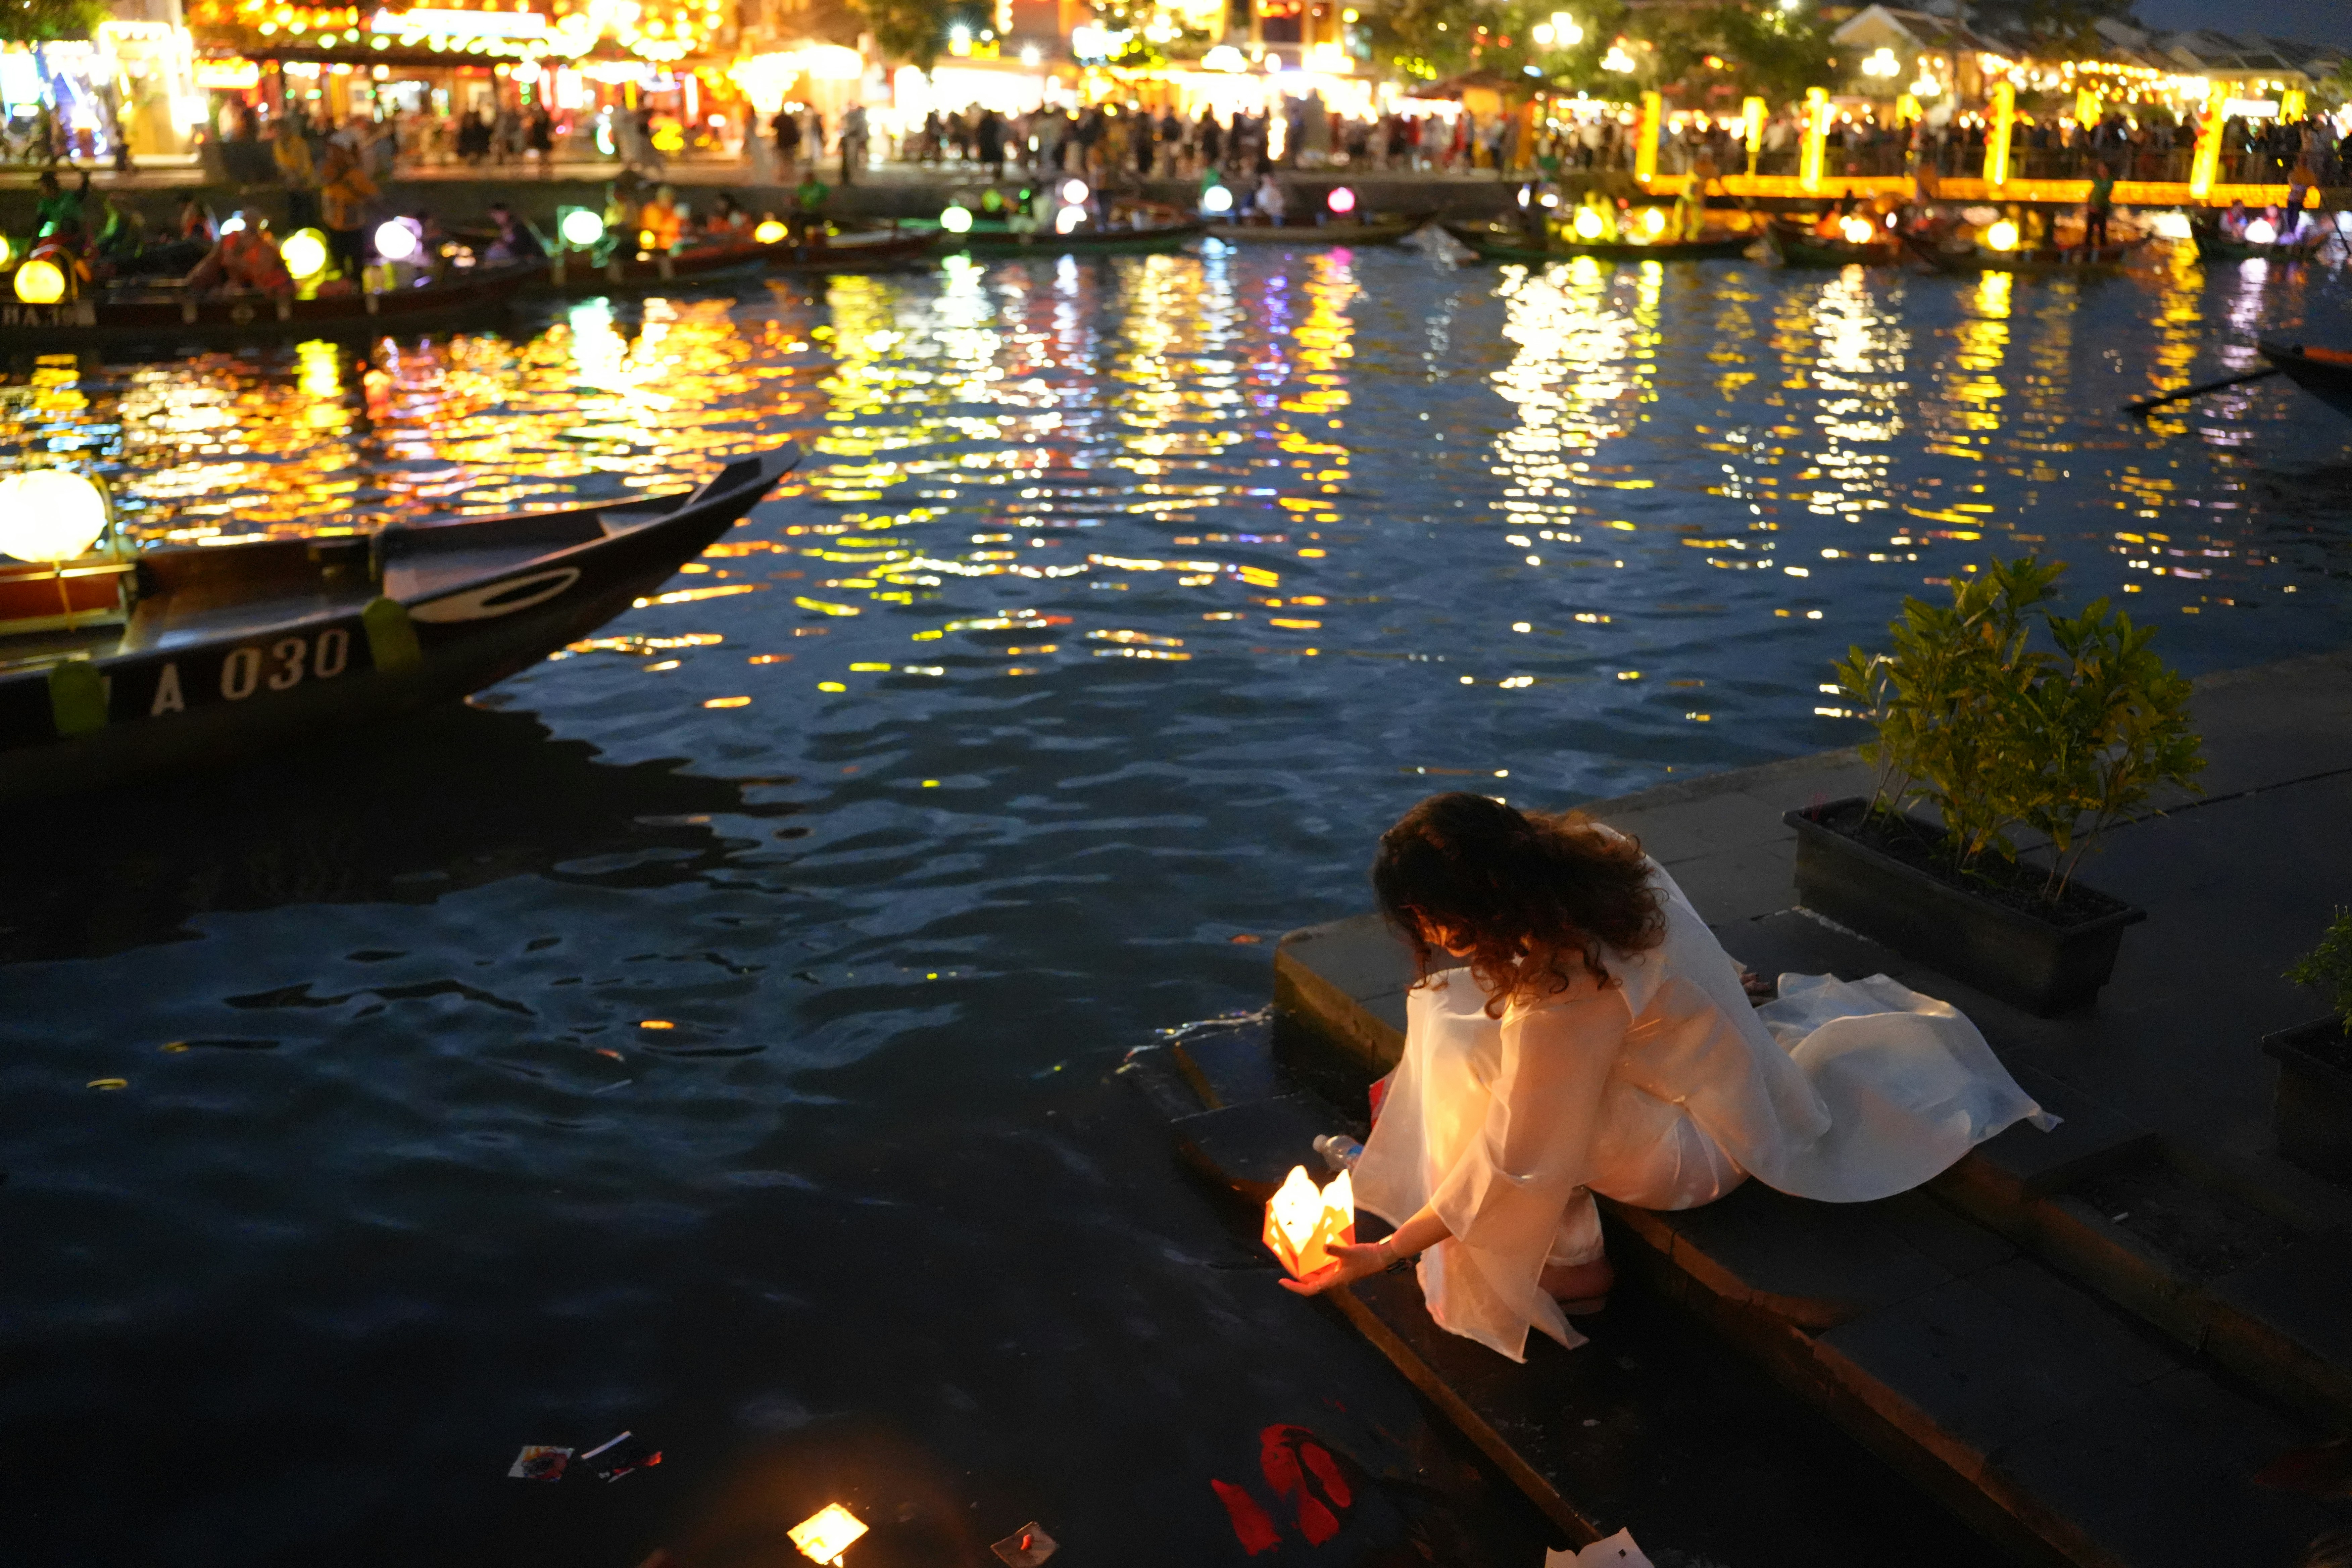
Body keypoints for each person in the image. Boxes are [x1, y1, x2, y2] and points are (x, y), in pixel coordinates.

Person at [1283, 795, 2050, 1362]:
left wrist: (1389, 1251)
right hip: (1728, 1080)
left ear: (1442, 910)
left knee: (1484, 1079)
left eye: (1424, 924)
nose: (1427, 940)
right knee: (1459, 1019)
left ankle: (1575, 1262)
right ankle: (1433, 1148)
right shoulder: (1596, 852)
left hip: (1697, 1151)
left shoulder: (1564, 989)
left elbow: (1516, 1156)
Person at [185, 212, 293, 297]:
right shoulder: (229, 240)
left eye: (251, 230)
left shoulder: (266, 249)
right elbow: (207, 268)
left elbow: (261, 280)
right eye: (245, 227)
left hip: (268, 293)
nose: (246, 234)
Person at [318, 134, 378, 280]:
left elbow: (373, 196)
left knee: (357, 264)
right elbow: (321, 182)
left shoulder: (356, 175)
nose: (333, 155)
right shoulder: (327, 170)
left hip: (354, 228)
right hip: (334, 227)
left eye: (337, 151)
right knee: (339, 265)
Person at [481, 201, 545, 264]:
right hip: (516, 258)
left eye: (498, 215)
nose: (496, 219)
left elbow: (521, 246)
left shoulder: (519, 227)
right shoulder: (504, 229)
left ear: (505, 213)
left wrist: (504, 245)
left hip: (527, 259)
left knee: (493, 254)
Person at [33, 166, 89, 237]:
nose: (41, 190)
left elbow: (82, 193)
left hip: (74, 235)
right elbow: (40, 223)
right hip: (57, 234)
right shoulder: (45, 203)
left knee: (67, 223)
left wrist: (86, 179)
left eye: (43, 187)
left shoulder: (69, 197)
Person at [639, 184, 684, 250]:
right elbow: (654, 228)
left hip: (670, 242)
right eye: (668, 199)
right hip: (653, 241)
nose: (670, 202)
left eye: (672, 200)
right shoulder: (652, 209)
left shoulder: (672, 210)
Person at [2083, 163, 2114, 250]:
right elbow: (2093, 193)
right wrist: (2090, 204)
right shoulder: (2096, 181)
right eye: (2100, 170)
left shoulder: (2109, 182)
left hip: (2102, 207)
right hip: (2093, 207)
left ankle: (2102, 247)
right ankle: (2088, 246)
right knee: (2090, 228)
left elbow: (2104, 194)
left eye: (2104, 170)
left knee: (2102, 227)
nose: (2102, 172)